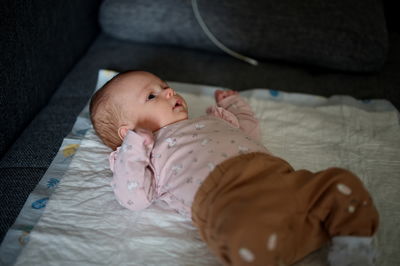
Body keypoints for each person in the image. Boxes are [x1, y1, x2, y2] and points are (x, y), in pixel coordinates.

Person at [89, 70, 379, 266]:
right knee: (241, 233)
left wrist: (235, 105)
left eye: (165, 87)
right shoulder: (142, 152)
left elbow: (249, 133)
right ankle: (269, 247)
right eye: (152, 96)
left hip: (280, 179)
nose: (168, 93)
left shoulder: (212, 119)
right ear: (126, 131)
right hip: (229, 201)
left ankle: (351, 248)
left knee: (339, 182)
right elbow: (134, 199)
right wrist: (132, 148)